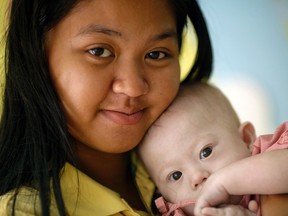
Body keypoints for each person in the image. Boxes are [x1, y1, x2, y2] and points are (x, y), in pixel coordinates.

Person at [0, 0, 213, 215]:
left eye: (155, 54)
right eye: (99, 51)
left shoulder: (209, 165)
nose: (132, 87)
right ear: (36, 55)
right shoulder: (24, 211)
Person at [138, 83, 288, 216]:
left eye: (206, 152)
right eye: (176, 175)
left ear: (246, 139)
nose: (197, 177)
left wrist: (224, 182)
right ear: (161, 194)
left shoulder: (271, 157)